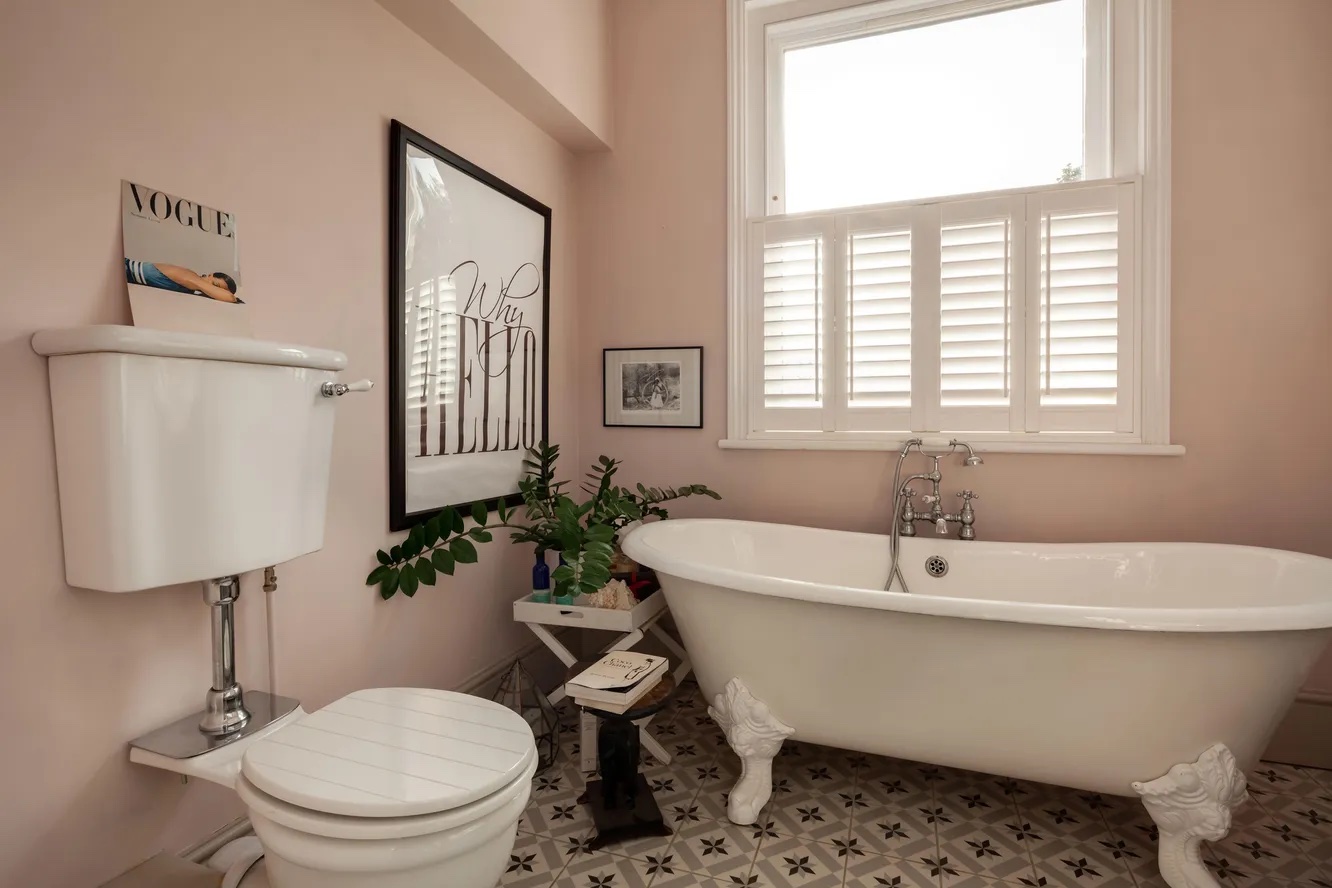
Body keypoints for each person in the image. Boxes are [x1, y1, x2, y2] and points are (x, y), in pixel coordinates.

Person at [124, 259, 243, 303]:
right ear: (210, 275)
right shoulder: (193, 278)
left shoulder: (192, 288)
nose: (213, 291)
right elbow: (230, 298)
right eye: (215, 285)